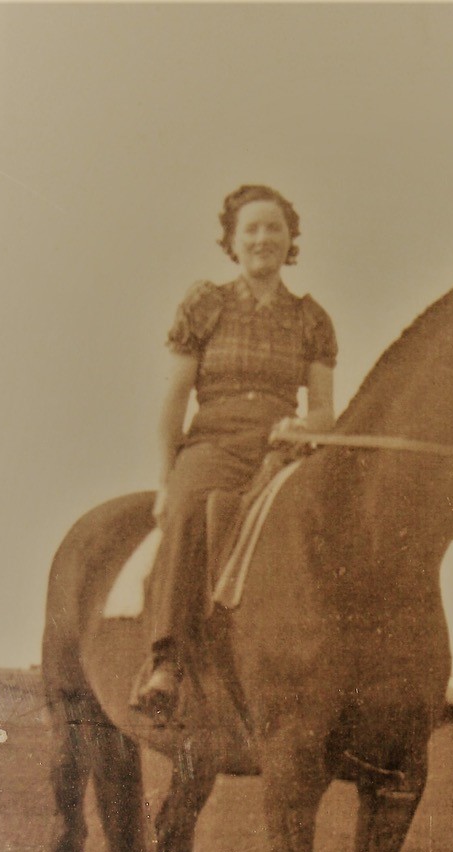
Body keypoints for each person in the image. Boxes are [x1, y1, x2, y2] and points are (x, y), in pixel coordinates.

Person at [133, 184, 337, 723]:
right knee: (189, 510)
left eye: (274, 228)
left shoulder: (311, 318)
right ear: (232, 240)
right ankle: (168, 662)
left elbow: (325, 413)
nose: (263, 238)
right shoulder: (207, 304)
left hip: (280, 449)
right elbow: (174, 402)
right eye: (251, 228)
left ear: (291, 239)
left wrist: (301, 427)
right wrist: (165, 478)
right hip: (213, 442)